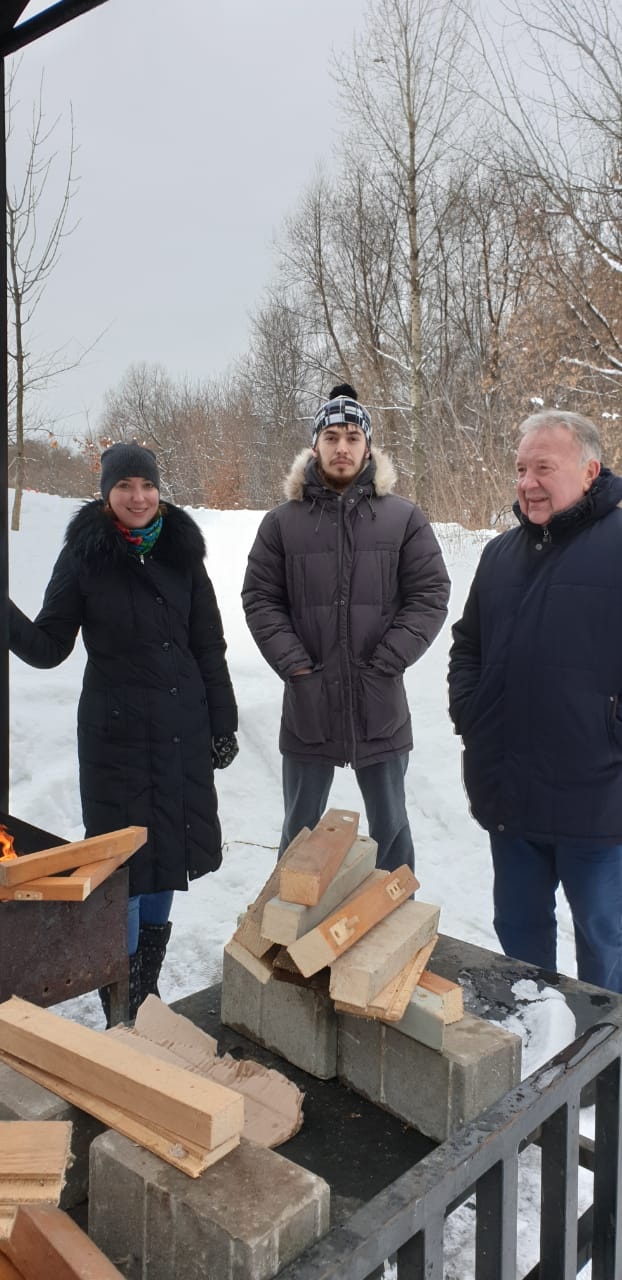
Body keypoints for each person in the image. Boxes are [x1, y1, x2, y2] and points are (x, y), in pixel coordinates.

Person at [9, 442, 238, 1021]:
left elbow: (208, 644)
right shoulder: (85, 557)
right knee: (123, 872)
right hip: (116, 741)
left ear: (159, 490)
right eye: (124, 487)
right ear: (107, 494)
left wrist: (223, 721)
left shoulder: (183, 554)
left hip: (180, 732)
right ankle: (119, 1001)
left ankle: (145, 993)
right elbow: (47, 647)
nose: (138, 497)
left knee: (167, 860)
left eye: (147, 486)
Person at [242, 383, 450, 872]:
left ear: (368, 447)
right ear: (314, 446)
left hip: (379, 702)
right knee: (300, 830)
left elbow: (430, 594)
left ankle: (394, 930)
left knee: (392, 830)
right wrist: (295, 666)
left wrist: (387, 662)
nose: (342, 447)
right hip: (309, 700)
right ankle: (285, 930)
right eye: (331, 436)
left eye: (353, 436)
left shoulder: (403, 519)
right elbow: (261, 600)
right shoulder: (282, 523)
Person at [448, 409, 622, 992]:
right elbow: (468, 643)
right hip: (511, 794)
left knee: (605, 941)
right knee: (519, 941)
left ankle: (608, 1072)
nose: (527, 483)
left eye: (543, 467)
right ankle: (539, 1053)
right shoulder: (500, 554)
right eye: (521, 469)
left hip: (596, 799)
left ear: (590, 470)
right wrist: (469, 711)